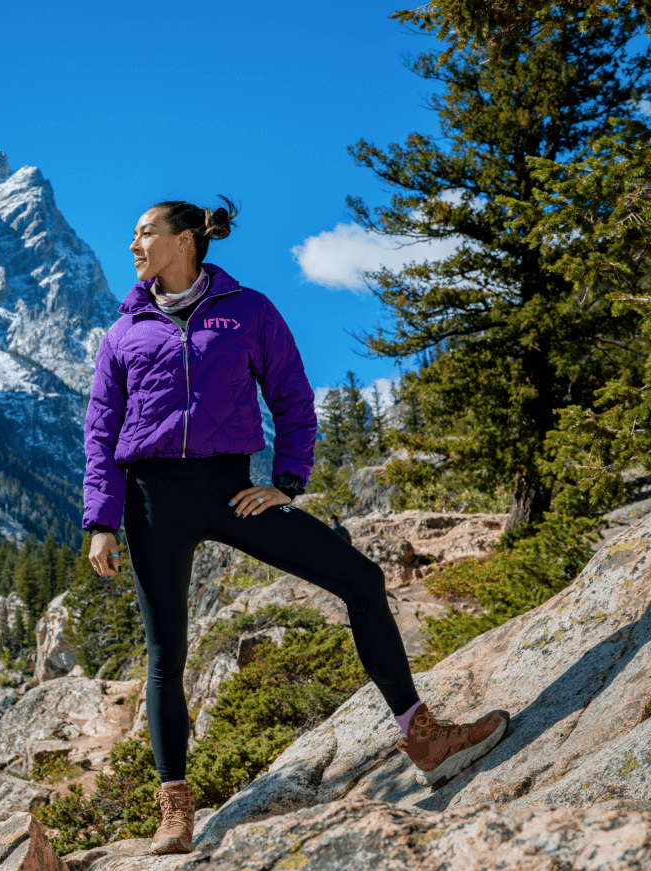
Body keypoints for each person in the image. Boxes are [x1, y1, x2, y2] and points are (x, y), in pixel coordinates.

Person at [81, 199, 510, 855]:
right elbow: (101, 433)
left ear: (185, 240)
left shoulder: (249, 311)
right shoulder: (123, 334)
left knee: (360, 579)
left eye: (145, 232)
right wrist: (102, 521)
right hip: (151, 502)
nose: (133, 244)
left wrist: (285, 481)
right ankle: (175, 810)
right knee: (167, 653)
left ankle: (423, 736)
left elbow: (290, 394)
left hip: (231, 490)